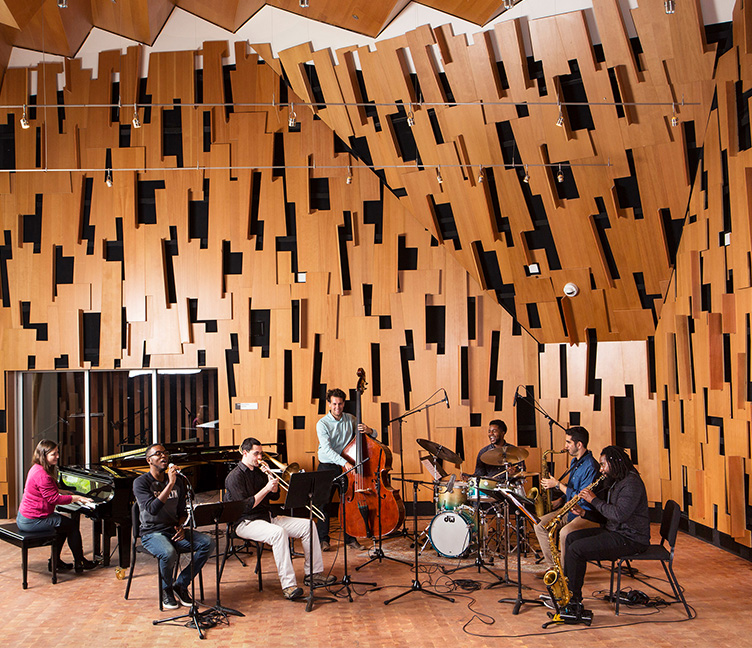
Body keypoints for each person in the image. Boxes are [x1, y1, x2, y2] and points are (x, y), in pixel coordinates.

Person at [225, 437, 335, 600]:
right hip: (245, 522)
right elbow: (245, 507)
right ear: (245, 453)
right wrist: (266, 489)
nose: (260, 458)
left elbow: (274, 497)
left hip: (266, 517)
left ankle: (313, 574)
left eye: (261, 454)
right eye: (256, 454)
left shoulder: (260, 472)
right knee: (279, 533)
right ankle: (289, 586)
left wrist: (272, 484)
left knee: (309, 525)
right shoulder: (234, 477)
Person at [563, 445, 651, 619]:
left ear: (614, 463)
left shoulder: (631, 484)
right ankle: (567, 592)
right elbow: (608, 517)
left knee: (576, 550)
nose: (601, 469)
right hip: (616, 532)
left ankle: (573, 599)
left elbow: (618, 515)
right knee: (571, 538)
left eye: (603, 465)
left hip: (631, 539)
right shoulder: (617, 481)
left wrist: (593, 500)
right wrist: (584, 513)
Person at [133, 443, 214, 610]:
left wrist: (181, 526)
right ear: (149, 460)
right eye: (158, 454)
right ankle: (166, 590)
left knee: (208, 543)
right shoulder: (141, 483)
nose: (163, 456)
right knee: (169, 553)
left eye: (165, 453)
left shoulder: (179, 482)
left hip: (173, 531)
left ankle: (181, 585)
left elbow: (181, 511)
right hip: (152, 533)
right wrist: (169, 484)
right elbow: (152, 509)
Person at [16, 439, 97, 572]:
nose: (58, 456)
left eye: (57, 453)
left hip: (26, 516)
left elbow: (45, 490)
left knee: (64, 525)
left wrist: (63, 491)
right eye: (54, 454)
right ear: (44, 455)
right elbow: (53, 499)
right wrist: (77, 497)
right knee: (71, 526)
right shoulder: (43, 475)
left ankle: (55, 561)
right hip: (32, 520)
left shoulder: (36, 468)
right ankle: (80, 561)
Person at [533, 426, 601, 575]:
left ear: (579, 445)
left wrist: (557, 485)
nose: (565, 446)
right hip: (569, 509)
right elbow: (572, 489)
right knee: (540, 525)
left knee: (565, 532)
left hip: (585, 512)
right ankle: (553, 568)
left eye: (568, 442)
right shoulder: (574, 463)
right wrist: (560, 500)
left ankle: (564, 572)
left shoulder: (591, 466)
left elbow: (583, 496)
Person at [315, 387, 376, 552]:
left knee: (348, 503)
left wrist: (371, 431)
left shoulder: (350, 419)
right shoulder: (322, 424)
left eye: (340, 404)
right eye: (334, 404)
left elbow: (370, 436)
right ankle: (323, 540)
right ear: (329, 404)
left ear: (344, 404)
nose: (337, 407)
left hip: (346, 467)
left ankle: (351, 538)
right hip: (327, 466)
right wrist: (345, 463)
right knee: (323, 504)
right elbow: (327, 450)